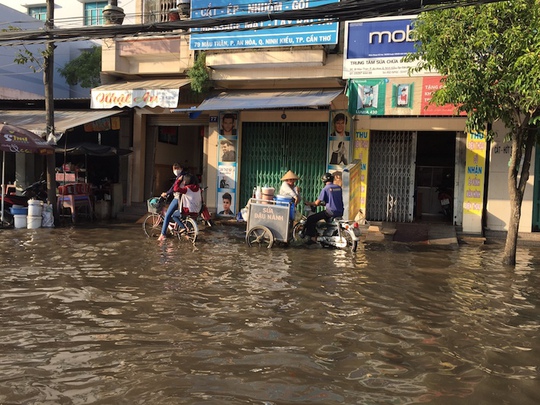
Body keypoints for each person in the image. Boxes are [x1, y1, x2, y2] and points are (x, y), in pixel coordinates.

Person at [303, 172, 344, 246]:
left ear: (324, 181)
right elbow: (333, 200)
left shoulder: (326, 189)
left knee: (311, 219)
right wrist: (324, 204)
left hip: (330, 212)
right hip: (340, 212)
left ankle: (312, 237)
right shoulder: (338, 188)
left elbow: (316, 203)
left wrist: (309, 203)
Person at [158, 163, 187, 241]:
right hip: (187, 200)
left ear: (180, 168)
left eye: (176, 168)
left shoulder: (180, 177)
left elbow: (174, 188)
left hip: (178, 198)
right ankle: (183, 229)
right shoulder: (187, 176)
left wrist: (166, 193)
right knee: (176, 215)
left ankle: (163, 234)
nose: (175, 170)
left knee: (167, 215)